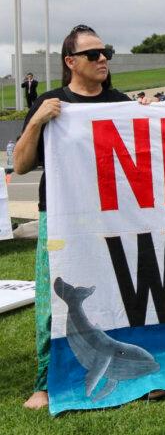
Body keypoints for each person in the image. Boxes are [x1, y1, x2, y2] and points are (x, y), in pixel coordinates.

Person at [15, 24, 151, 410]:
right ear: (71, 62)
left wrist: (147, 116)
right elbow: (22, 165)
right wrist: (39, 120)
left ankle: (139, 369)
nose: (103, 58)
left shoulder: (120, 102)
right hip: (61, 217)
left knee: (124, 291)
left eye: (105, 51)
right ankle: (46, 382)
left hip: (113, 217)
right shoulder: (50, 102)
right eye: (93, 54)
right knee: (51, 302)